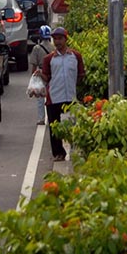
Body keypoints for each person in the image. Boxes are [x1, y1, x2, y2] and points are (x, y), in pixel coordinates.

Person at [41, 26, 85, 162]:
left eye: (60, 39)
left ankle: (75, 151)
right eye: (55, 39)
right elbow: (46, 77)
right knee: (55, 127)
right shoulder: (48, 59)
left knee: (74, 125)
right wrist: (40, 75)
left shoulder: (75, 56)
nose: (57, 42)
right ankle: (58, 153)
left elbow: (81, 75)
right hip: (54, 97)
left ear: (65, 39)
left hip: (71, 96)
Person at [28, 25, 53, 126]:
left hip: (41, 73)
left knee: (40, 97)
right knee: (52, 96)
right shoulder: (54, 47)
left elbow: (34, 65)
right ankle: (52, 118)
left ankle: (41, 119)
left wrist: (33, 77)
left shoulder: (37, 48)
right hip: (53, 72)